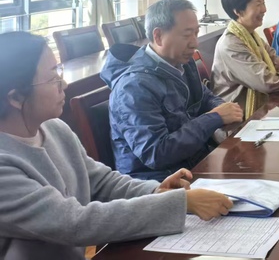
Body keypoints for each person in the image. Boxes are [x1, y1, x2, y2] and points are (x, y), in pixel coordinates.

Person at [0, 31, 233, 260]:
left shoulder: (54, 128)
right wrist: (180, 203)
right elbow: (73, 223)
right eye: (53, 78)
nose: (65, 84)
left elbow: (102, 182)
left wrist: (155, 191)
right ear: (16, 97)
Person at [101, 0, 244, 180]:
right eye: (187, 35)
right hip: (159, 182)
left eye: (196, 33)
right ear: (158, 36)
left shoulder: (180, 63)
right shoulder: (134, 86)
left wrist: (224, 109)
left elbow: (204, 97)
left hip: (193, 163)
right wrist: (214, 118)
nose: (195, 43)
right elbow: (156, 153)